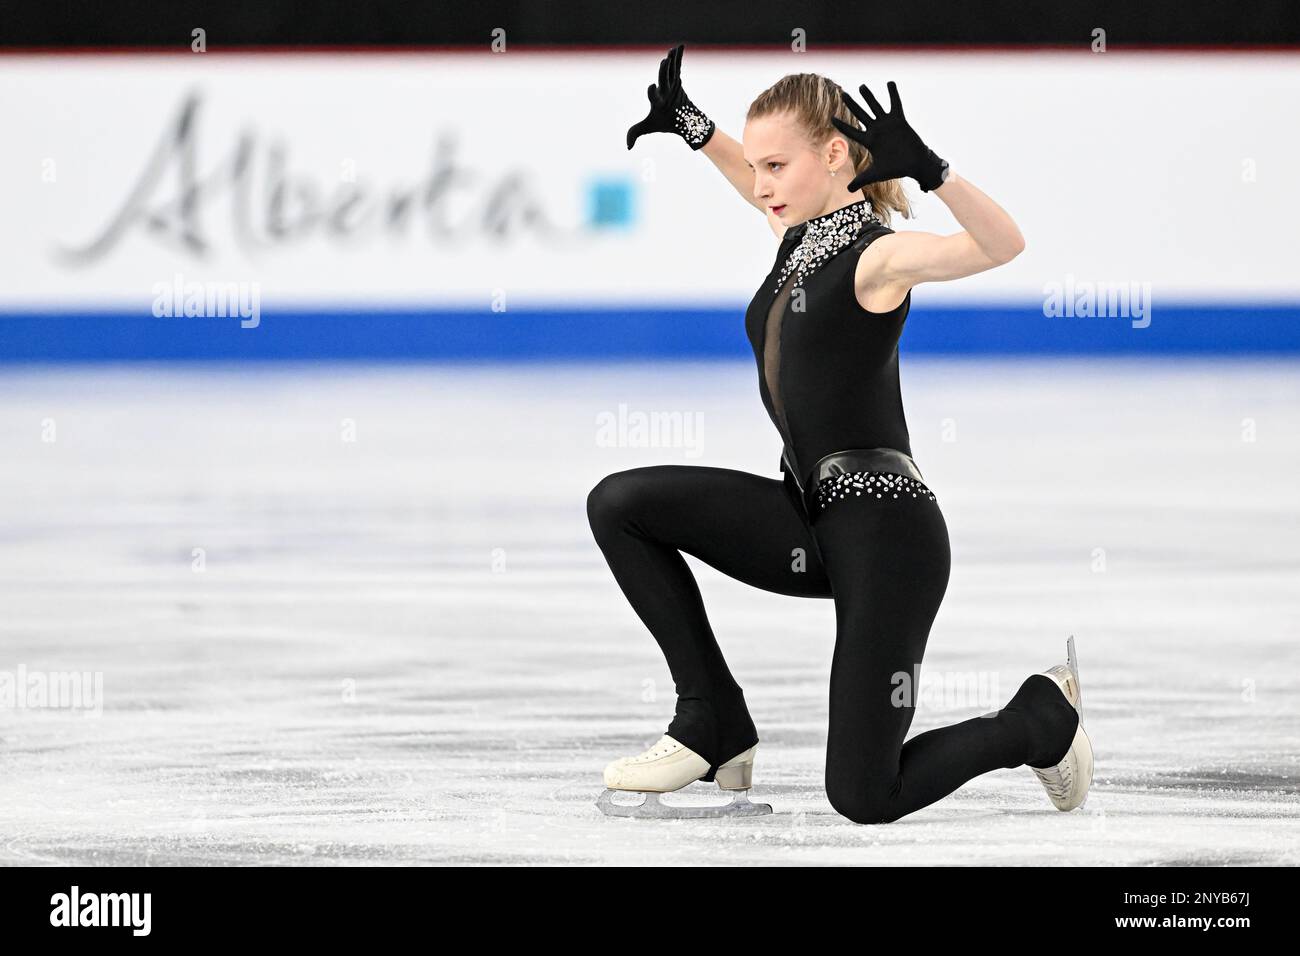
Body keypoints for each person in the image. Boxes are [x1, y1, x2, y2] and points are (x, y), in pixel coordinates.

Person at [590, 44, 1092, 823]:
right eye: (756, 168)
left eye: (777, 167)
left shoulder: (876, 257)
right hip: (808, 517)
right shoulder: (798, 234)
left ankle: (1037, 721)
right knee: (620, 503)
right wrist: (697, 130)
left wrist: (934, 170)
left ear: (833, 155)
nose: (761, 186)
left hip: (887, 533)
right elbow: (754, 181)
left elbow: (1002, 246)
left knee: (863, 794)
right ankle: (712, 719)